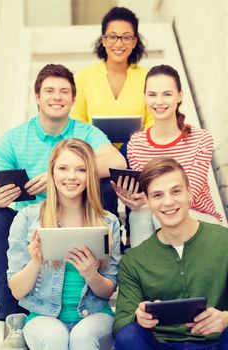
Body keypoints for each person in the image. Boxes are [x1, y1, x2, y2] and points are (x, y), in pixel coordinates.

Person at [0, 63, 126, 324]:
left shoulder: (85, 131)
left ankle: (98, 279)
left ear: (74, 99)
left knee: (105, 184)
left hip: (79, 215)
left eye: (64, 91)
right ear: (37, 97)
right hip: (31, 223)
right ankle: (12, 315)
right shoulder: (14, 138)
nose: (57, 97)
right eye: (49, 90)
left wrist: (55, 176)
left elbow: (116, 161)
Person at [6, 138, 121, 350]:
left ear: (90, 176)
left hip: (95, 314)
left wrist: (90, 273)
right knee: (54, 337)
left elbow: (108, 290)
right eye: (63, 168)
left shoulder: (108, 222)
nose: (71, 176)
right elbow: (16, 291)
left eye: (81, 169)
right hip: (43, 316)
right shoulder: (26, 218)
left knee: (83, 337)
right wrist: (35, 262)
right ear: (52, 172)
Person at [114, 156, 228, 350]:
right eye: (157, 195)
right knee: (128, 335)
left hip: (218, 343)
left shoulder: (224, 240)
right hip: (162, 345)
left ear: (189, 192)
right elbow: (120, 324)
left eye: (176, 191)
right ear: (148, 201)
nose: (168, 202)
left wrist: (226, 318)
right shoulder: (134, 260)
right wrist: (138, 317)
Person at [70, 6, 154, 249]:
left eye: (126, 37)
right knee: (106, 185)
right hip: (100, 158)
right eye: (113, 36)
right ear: (103, 39)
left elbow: (152, 121)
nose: (119, 43)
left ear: (135, 41)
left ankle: (133, 237)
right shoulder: (85, 77)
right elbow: (78, 122)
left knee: (131, 158)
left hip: (135, 156)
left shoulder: (146, 77)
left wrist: (138, 139)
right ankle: (113, 238)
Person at [112, 64, 222, 247]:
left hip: (199, 218)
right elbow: (146, 193)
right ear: (145, 96)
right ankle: (147, 273)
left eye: (167, 94)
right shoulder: (136, 144)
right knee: (140, 215)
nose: (159, 101)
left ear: (180, 95)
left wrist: (149, 200)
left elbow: (189, 197)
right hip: (158, 215)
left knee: (159, 213)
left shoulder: (201, 139)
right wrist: (134, 200)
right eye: (152, 94)